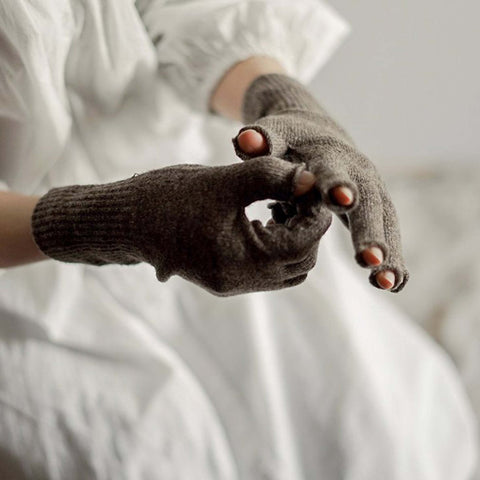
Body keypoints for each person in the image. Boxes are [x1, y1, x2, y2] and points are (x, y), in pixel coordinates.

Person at [0, 0, 477, 478]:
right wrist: (114, 221)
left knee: (382, 429)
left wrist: (283, 101)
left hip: (208, 194)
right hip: (24, 293)